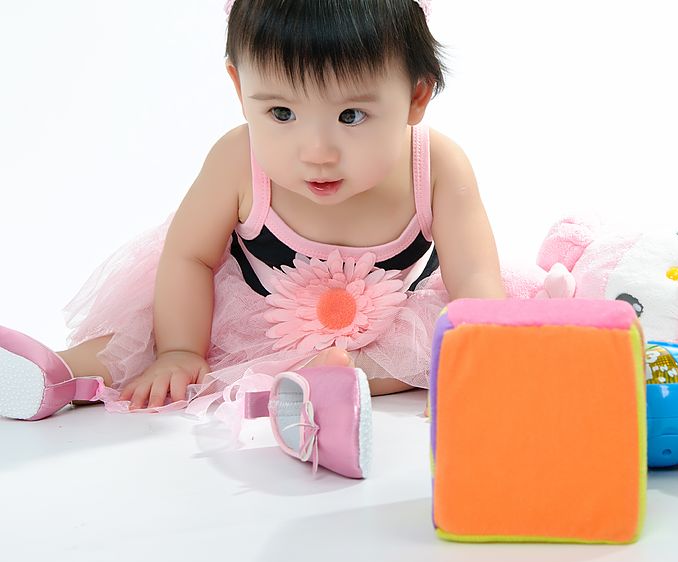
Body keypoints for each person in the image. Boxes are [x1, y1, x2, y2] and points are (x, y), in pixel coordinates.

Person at [0, 0, 507, 422]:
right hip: (252, 317)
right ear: (241, 89)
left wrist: (475, 352)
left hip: (383, 320)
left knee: (437, 344)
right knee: (141, 341)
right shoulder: (237, 160)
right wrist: (181, 349)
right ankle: (56, 375)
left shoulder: (435, 163)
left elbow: (476, 276)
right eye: (281, 113)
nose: (317, 151)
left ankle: (331, 383)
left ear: (416, 97)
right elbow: (189, 258)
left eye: (351, 115)